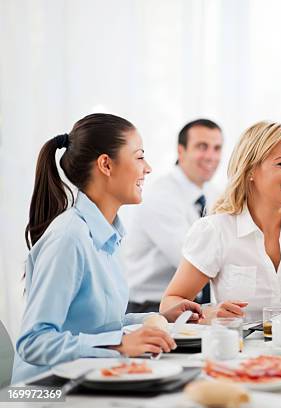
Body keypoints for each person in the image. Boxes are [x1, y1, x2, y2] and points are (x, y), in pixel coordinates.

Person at [13, 113, 202, 383]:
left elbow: (99, 326)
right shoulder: (69, 238)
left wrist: (160, 318)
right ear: (106, 164)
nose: (147, 168)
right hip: (45, 392)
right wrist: (118, 346)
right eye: (139, 157)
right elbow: (33, 342)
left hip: (89, 380)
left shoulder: (106, 235)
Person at [160, 121, 281, 322]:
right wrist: (206, 315)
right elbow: (169, 303)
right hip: (237, 350)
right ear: (250, 171)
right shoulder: (215, 231)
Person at [122, 119, 223, 313]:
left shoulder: (214, 193)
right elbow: (196, 260)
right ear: (181, 151)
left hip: (190, 304)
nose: (211, 156)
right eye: (202, 147)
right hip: (149, 309)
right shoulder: (161, 196)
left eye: (217, 148)